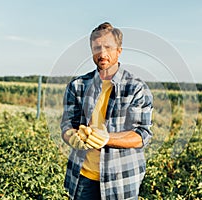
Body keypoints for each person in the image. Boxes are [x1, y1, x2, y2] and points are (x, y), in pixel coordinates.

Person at [60, 22, 153, 200]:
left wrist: (106, 138)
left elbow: (142, 134)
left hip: (121, 180)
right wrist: (72, 137)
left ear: (119, 50)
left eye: (108, 47)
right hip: (83, 177)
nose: (102, 53)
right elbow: (67, 125)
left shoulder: (136, 88)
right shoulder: (77, 86)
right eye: (97, 48)